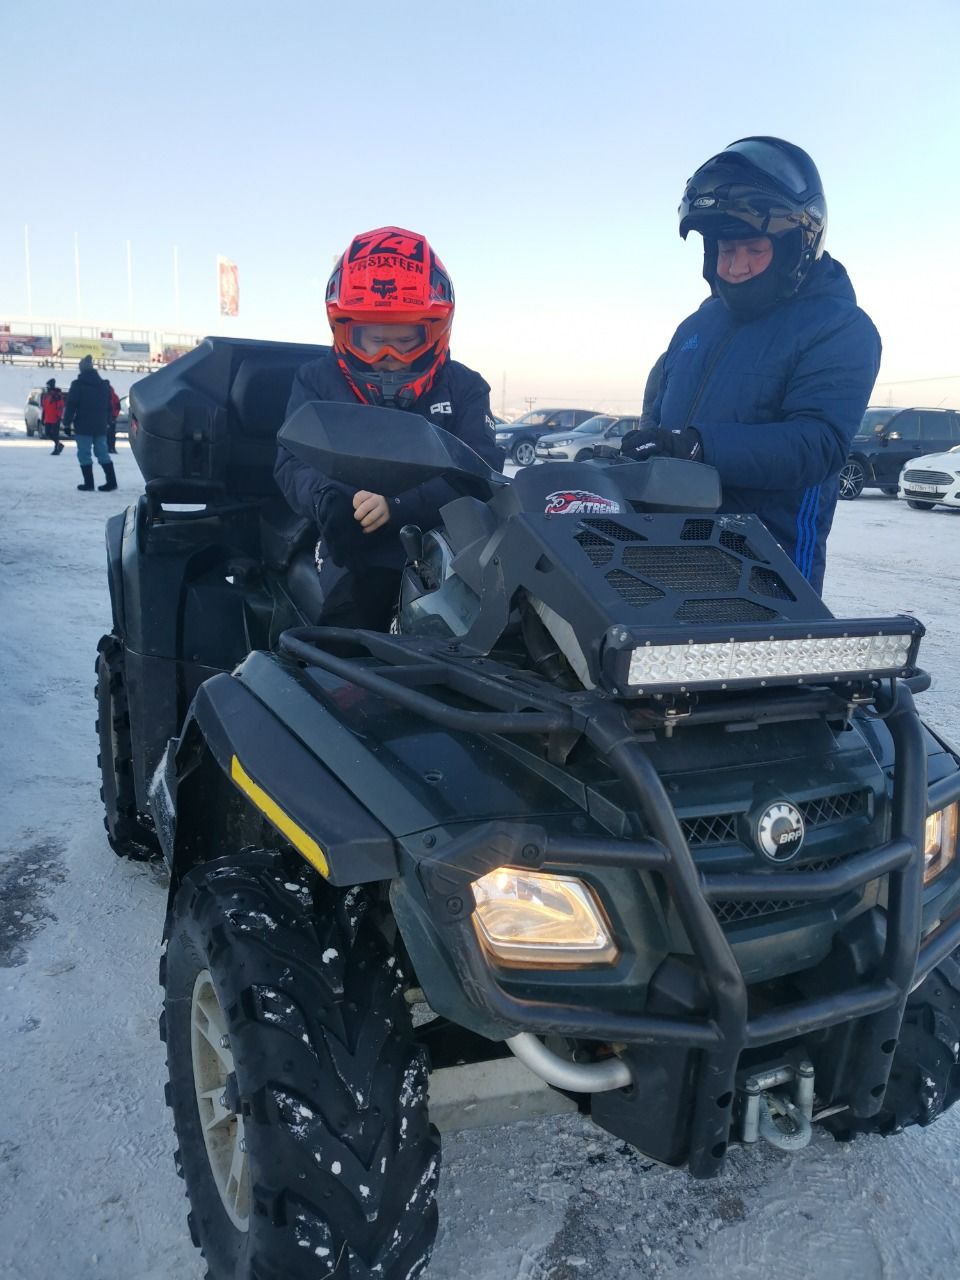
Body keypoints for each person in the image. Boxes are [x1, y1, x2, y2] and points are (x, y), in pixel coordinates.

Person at [620, 136, 881, 594]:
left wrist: (699, 447)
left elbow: (817, 444)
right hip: (663, 550)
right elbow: (659, 418)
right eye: (725, 250)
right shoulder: (695, 326)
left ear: (794, 247)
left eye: (753, 250)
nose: (736, 267)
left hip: (762, 568)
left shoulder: (840, 327)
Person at [274, 225, 502, 629]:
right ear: (345, 331)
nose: (388, 354)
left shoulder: (466, 387)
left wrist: (400, 505)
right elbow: (291, 461)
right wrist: (327, 499)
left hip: (447, 537)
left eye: (404, 338)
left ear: (434, 330)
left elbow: (477, 470)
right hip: (349, 539)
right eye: (373, 338)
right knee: (350, 620)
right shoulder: (316, 381)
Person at [63, 355, 116, 492]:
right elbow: (108, 406)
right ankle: (111, 482)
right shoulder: (104, 385)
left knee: (84, 454)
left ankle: (89, 483)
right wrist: (108, 421)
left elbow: (71, 405)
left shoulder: (77, 385)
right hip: (100, 426)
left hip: (83, 426)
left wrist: (67, 424)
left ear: (81, 369)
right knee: (102, 453)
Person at [40, 378, 66, 455]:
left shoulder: (57, 395)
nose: (47, 387)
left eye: (48, 386)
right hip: (48, 418)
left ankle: (56, 449)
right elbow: (45, 407)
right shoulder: (47, 395)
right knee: (48, 433)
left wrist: (59, 416)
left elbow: (60, 406)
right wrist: (43, 417)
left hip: (55, 418)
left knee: (55, 434)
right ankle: (59, 444)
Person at [104, 380, 121, 453]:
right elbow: (118, 407)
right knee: (112, 434)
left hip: (105, 417)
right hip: (112, 417)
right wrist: (115, 416)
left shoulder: (102, 394)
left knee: (105, 434)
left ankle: (107, 448)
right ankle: (112, 448)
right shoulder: (115, 396)